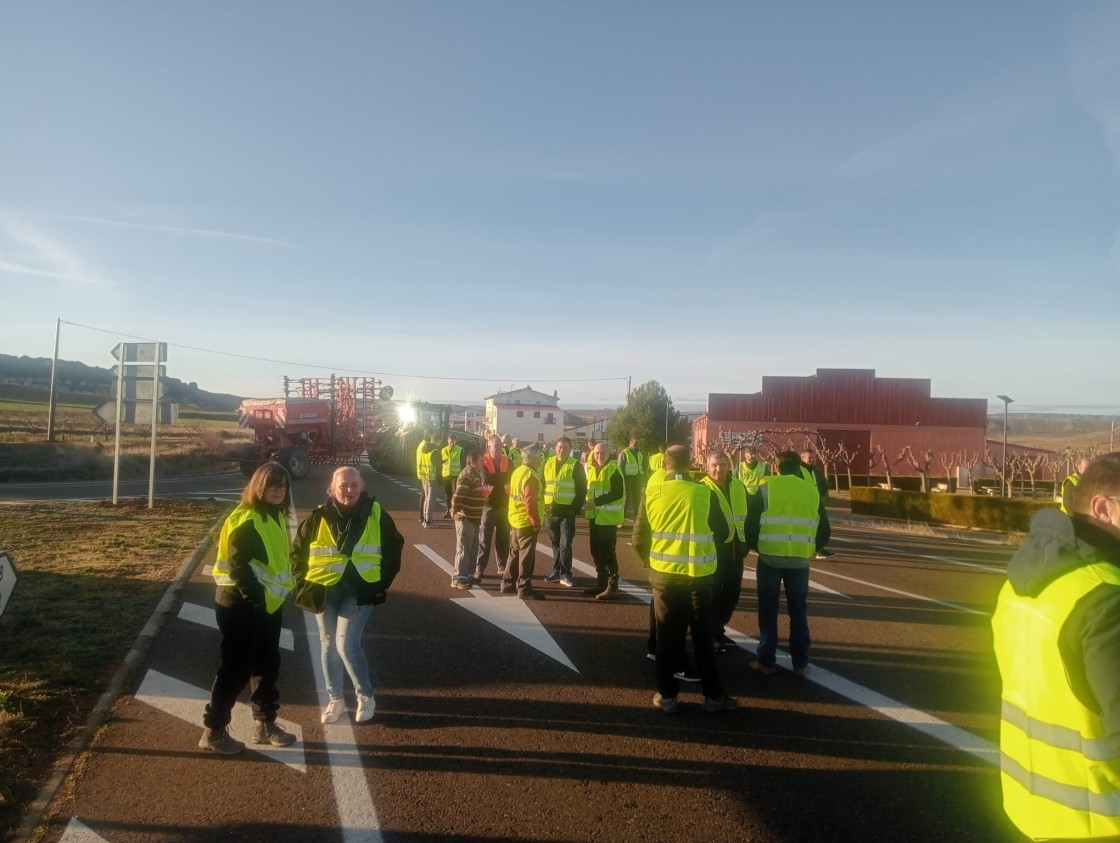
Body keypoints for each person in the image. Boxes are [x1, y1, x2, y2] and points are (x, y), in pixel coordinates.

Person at [991, 453, 1120, 840]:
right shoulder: (1106, 599)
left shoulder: (1024, 580)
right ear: (1104, 508)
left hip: (1032, 808)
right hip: (1101, 821)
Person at [292, 466, 403, 725]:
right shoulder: (318, 516)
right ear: (332, 488)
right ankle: (336, 700)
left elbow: (393, 548)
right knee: (329, 643)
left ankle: (365, 696)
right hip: (325, 588)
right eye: (343, 485)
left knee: (347, 644)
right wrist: (302, 583)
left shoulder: (376, 513)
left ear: (362, 486)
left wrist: (382, 582)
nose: (349, 490)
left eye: (354, 484)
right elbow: (298, 552)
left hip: (360, 589)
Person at [200, 462, 297, 754]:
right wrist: (258, 603)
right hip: (241, 604)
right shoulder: (247, 519)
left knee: (267, 664)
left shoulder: (274, 516)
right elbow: (239, 568)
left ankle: (265, 723)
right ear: (259, 487)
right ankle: (213, 731)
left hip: (266, 604)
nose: (279, 491)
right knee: (236, 669)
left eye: (283, 486)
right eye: (273, 485)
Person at [634, 445, 738, 715]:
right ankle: (713, 696)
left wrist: (651, 562)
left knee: (667, 638)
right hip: (699, 577)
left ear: (665, 465)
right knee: (703, 638)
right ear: (690, 464)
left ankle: (667, 696)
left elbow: (638, 537)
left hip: (665, 577)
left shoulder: (653, 491)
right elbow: (724, 531)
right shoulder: (703, 492)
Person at [748, 450, 820, 677]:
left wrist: (757, 546)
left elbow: (751, 523)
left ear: (775, 467)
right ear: (799, 469)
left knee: (768, 609)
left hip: (769, 557)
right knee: (798, 609)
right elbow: (824, 528)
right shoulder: (812, 491)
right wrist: (811, 548)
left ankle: (767, 661)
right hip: (800, 560)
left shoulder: (765, 487)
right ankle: (801, 662)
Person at [701, 451, 749, 653]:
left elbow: (749, 514)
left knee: (731, 594)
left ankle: (719, 628)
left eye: (722, 464)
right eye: (714, 465)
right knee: (711, 594)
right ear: (707, 466)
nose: (718, 469)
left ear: (729, 466)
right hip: (714, 550)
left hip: (736, 550)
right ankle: (712, 635)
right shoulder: (702, 488)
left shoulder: (739, 486)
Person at [504, 444, 546, 599]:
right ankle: (524, 587)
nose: (541, 460)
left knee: (514, 552)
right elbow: (530, 502)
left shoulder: (518, 471)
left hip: (515, 518)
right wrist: (535, 521)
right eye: (540, 457)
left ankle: (507, 583)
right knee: (526, 556)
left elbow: (510, 491)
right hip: (526, 521)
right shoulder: (531, 476)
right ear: (534, 458)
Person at [543, 436, 586, 589]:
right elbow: (542, 485)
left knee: (565, 543)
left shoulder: (575, 465)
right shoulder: (547, 463)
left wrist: (574, 510)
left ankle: (566, 573)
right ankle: (556, 571)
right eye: (560, 447)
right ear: (555, 448)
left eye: (565, 447)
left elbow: (582, 490)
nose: (562, 450)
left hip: (567, 511)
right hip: (550, 510)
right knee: (555, 543)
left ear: (570, 449)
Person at [584, 441, 625, 599]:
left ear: (609, 454)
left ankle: (612, 586)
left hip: (608, 519)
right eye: (596, 453)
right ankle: (601, 583)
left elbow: (617, 493)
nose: (599, 456)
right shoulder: (593, 469)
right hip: (595, 517)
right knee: (596, 551)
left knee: (608, 553)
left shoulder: (613, 470)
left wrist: (595, 502)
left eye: (602, 453)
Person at [475, 435, 512, 583]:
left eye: (499, 445)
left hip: (504, 505)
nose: (497, 448)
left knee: (503, 538)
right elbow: (486, 479)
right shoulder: (483, 461)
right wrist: (502, 478)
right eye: (494, 446)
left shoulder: (507, 461)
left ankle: (502, 566)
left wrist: (497, 478)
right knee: (484, 538)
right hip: (488, 505)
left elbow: (511, 477)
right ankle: (479, 567)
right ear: (488, 447)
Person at [450, 445, 484, 589]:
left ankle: (468, 575)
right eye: (481, 460)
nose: (483, 463)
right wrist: (455, 510)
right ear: (473, 462)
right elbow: (457, 496)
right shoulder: (467, 475)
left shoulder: (475, 474)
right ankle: (458, 578)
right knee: (464, 548)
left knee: (472, 548)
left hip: (474, 517)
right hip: (466, 517)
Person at [799, 448, 833, 559]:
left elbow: (823, 484)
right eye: (809, 457)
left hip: (816, 502)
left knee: (821, 527)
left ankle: (817, 548)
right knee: (806, 528)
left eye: (813, 457)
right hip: (803, 504)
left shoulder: (816, 470)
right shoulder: (799, 471)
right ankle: (813, 549)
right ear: (803, 458)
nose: (812, 460)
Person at [618, 437, 647, 520]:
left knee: (637, 500)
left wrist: (644, 477)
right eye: (635, 444)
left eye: (637, 444)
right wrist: (621, 479)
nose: (637, 445)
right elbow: (620, 467)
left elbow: (644, 466)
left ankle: (637, 519)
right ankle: (621, 519)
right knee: (626, 500)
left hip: (637, 480)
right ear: (630, 443)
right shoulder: (624, 453)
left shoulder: (640, 453)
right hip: (627, 479)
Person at [415, 430, 440, 527]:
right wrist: (440, 480)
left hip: (423, 474)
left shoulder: (422, 446)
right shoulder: (434, 450)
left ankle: (425, 518)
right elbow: (437, 467)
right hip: (432, 476)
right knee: (430, 499)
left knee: (426, 498)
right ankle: (428, 521)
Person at [440, 433, 463, 518]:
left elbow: (462, 463)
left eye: (453, 442)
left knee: (454, 494)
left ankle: (454, 510)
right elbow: (441, 463)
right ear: (448, 441)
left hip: (455, 475)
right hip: (446, 476)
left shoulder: (460, 450)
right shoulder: (443, 450)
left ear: (455, 441)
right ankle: (447, 510)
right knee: (447, 494)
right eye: (450, 442)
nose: (451, 444)